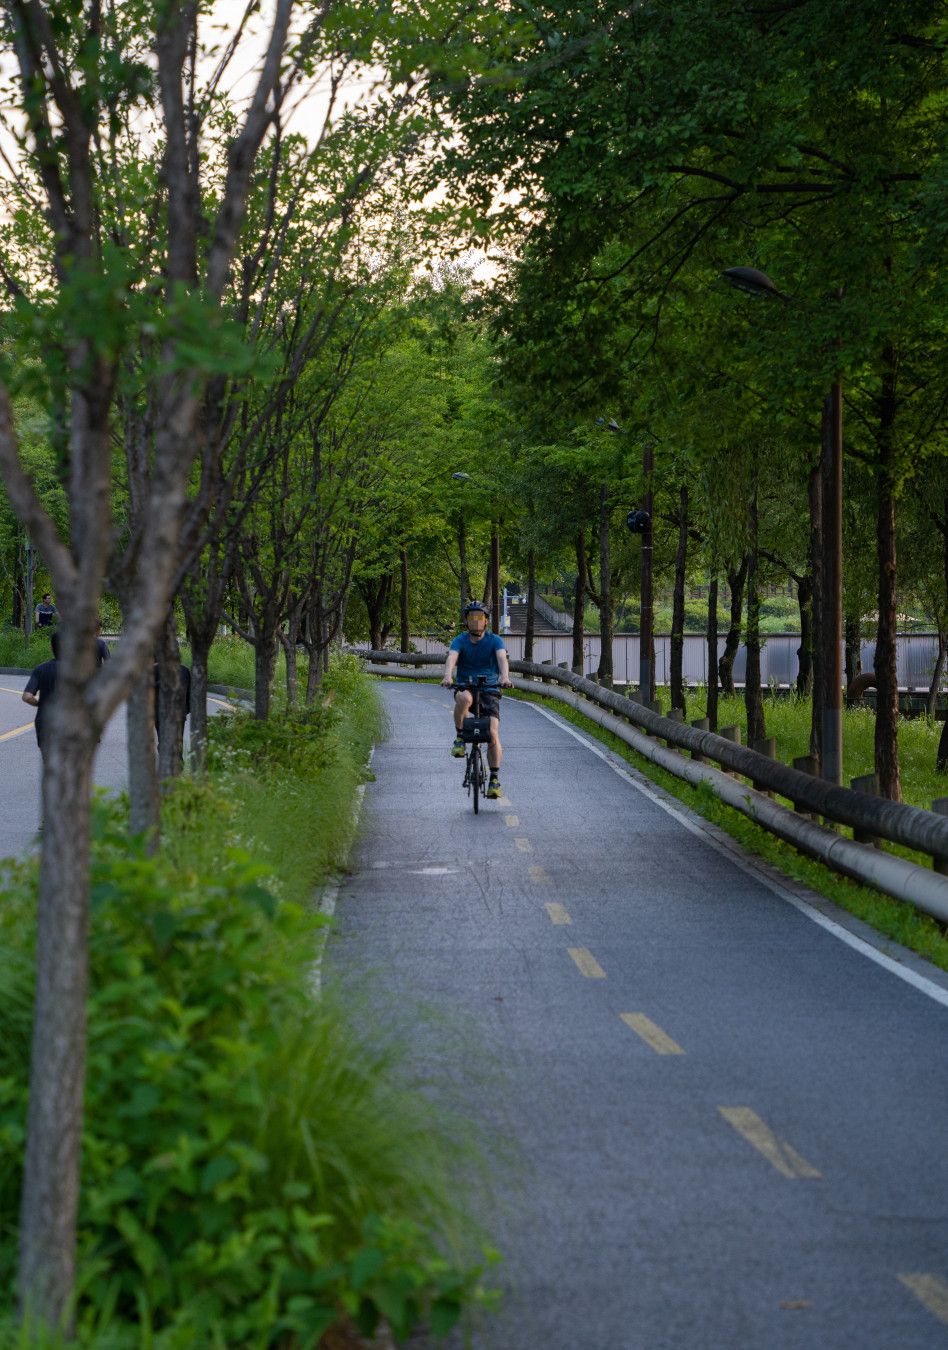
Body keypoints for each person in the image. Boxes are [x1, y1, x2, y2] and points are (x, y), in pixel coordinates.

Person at [441, 600, 512, 800]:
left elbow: (501, 660)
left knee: (492, 734)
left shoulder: (495, 640)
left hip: (489, 689)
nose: (476, 622)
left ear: (486, 621)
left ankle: (494, 779)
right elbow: (452, 658)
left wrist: (504, 678)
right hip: (466, 685)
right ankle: (460, 738)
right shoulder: (460, 640)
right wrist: (448, 676)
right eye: (472, 618)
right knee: (462, 698)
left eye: (480, 618)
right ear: (466, 621)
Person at [22, 630, 60, 755]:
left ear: (51, 648)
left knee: (49, 764)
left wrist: (41, 703)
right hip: (70, 725)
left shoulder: (41, 669)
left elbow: (27, 697)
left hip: (44, 723)